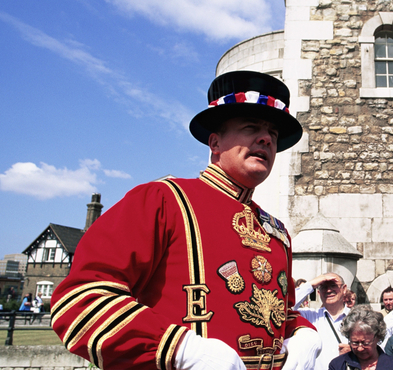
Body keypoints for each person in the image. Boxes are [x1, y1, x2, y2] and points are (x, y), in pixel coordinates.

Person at [50, 71, 319, 370]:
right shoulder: (161, 200)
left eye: (273, 133)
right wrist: (180, 349)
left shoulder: (278, 232)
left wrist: (306, 333)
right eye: (251, 126)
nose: (266, 138)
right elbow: (80, 301)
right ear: (214, 143)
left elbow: (280, 313)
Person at [294, 273, 351, 370]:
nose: (329, 290)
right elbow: (283, 307)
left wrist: (357, 352)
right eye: (324, 287)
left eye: (333, 285)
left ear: (344, 289)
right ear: (319, 293)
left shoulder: (359, 318)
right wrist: (312, 284)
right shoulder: (310, 316)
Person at [329, 305, 393, 370]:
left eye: (365, 343)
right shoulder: (338, 366)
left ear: (378, 337)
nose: (360, 348)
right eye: (355, 343)